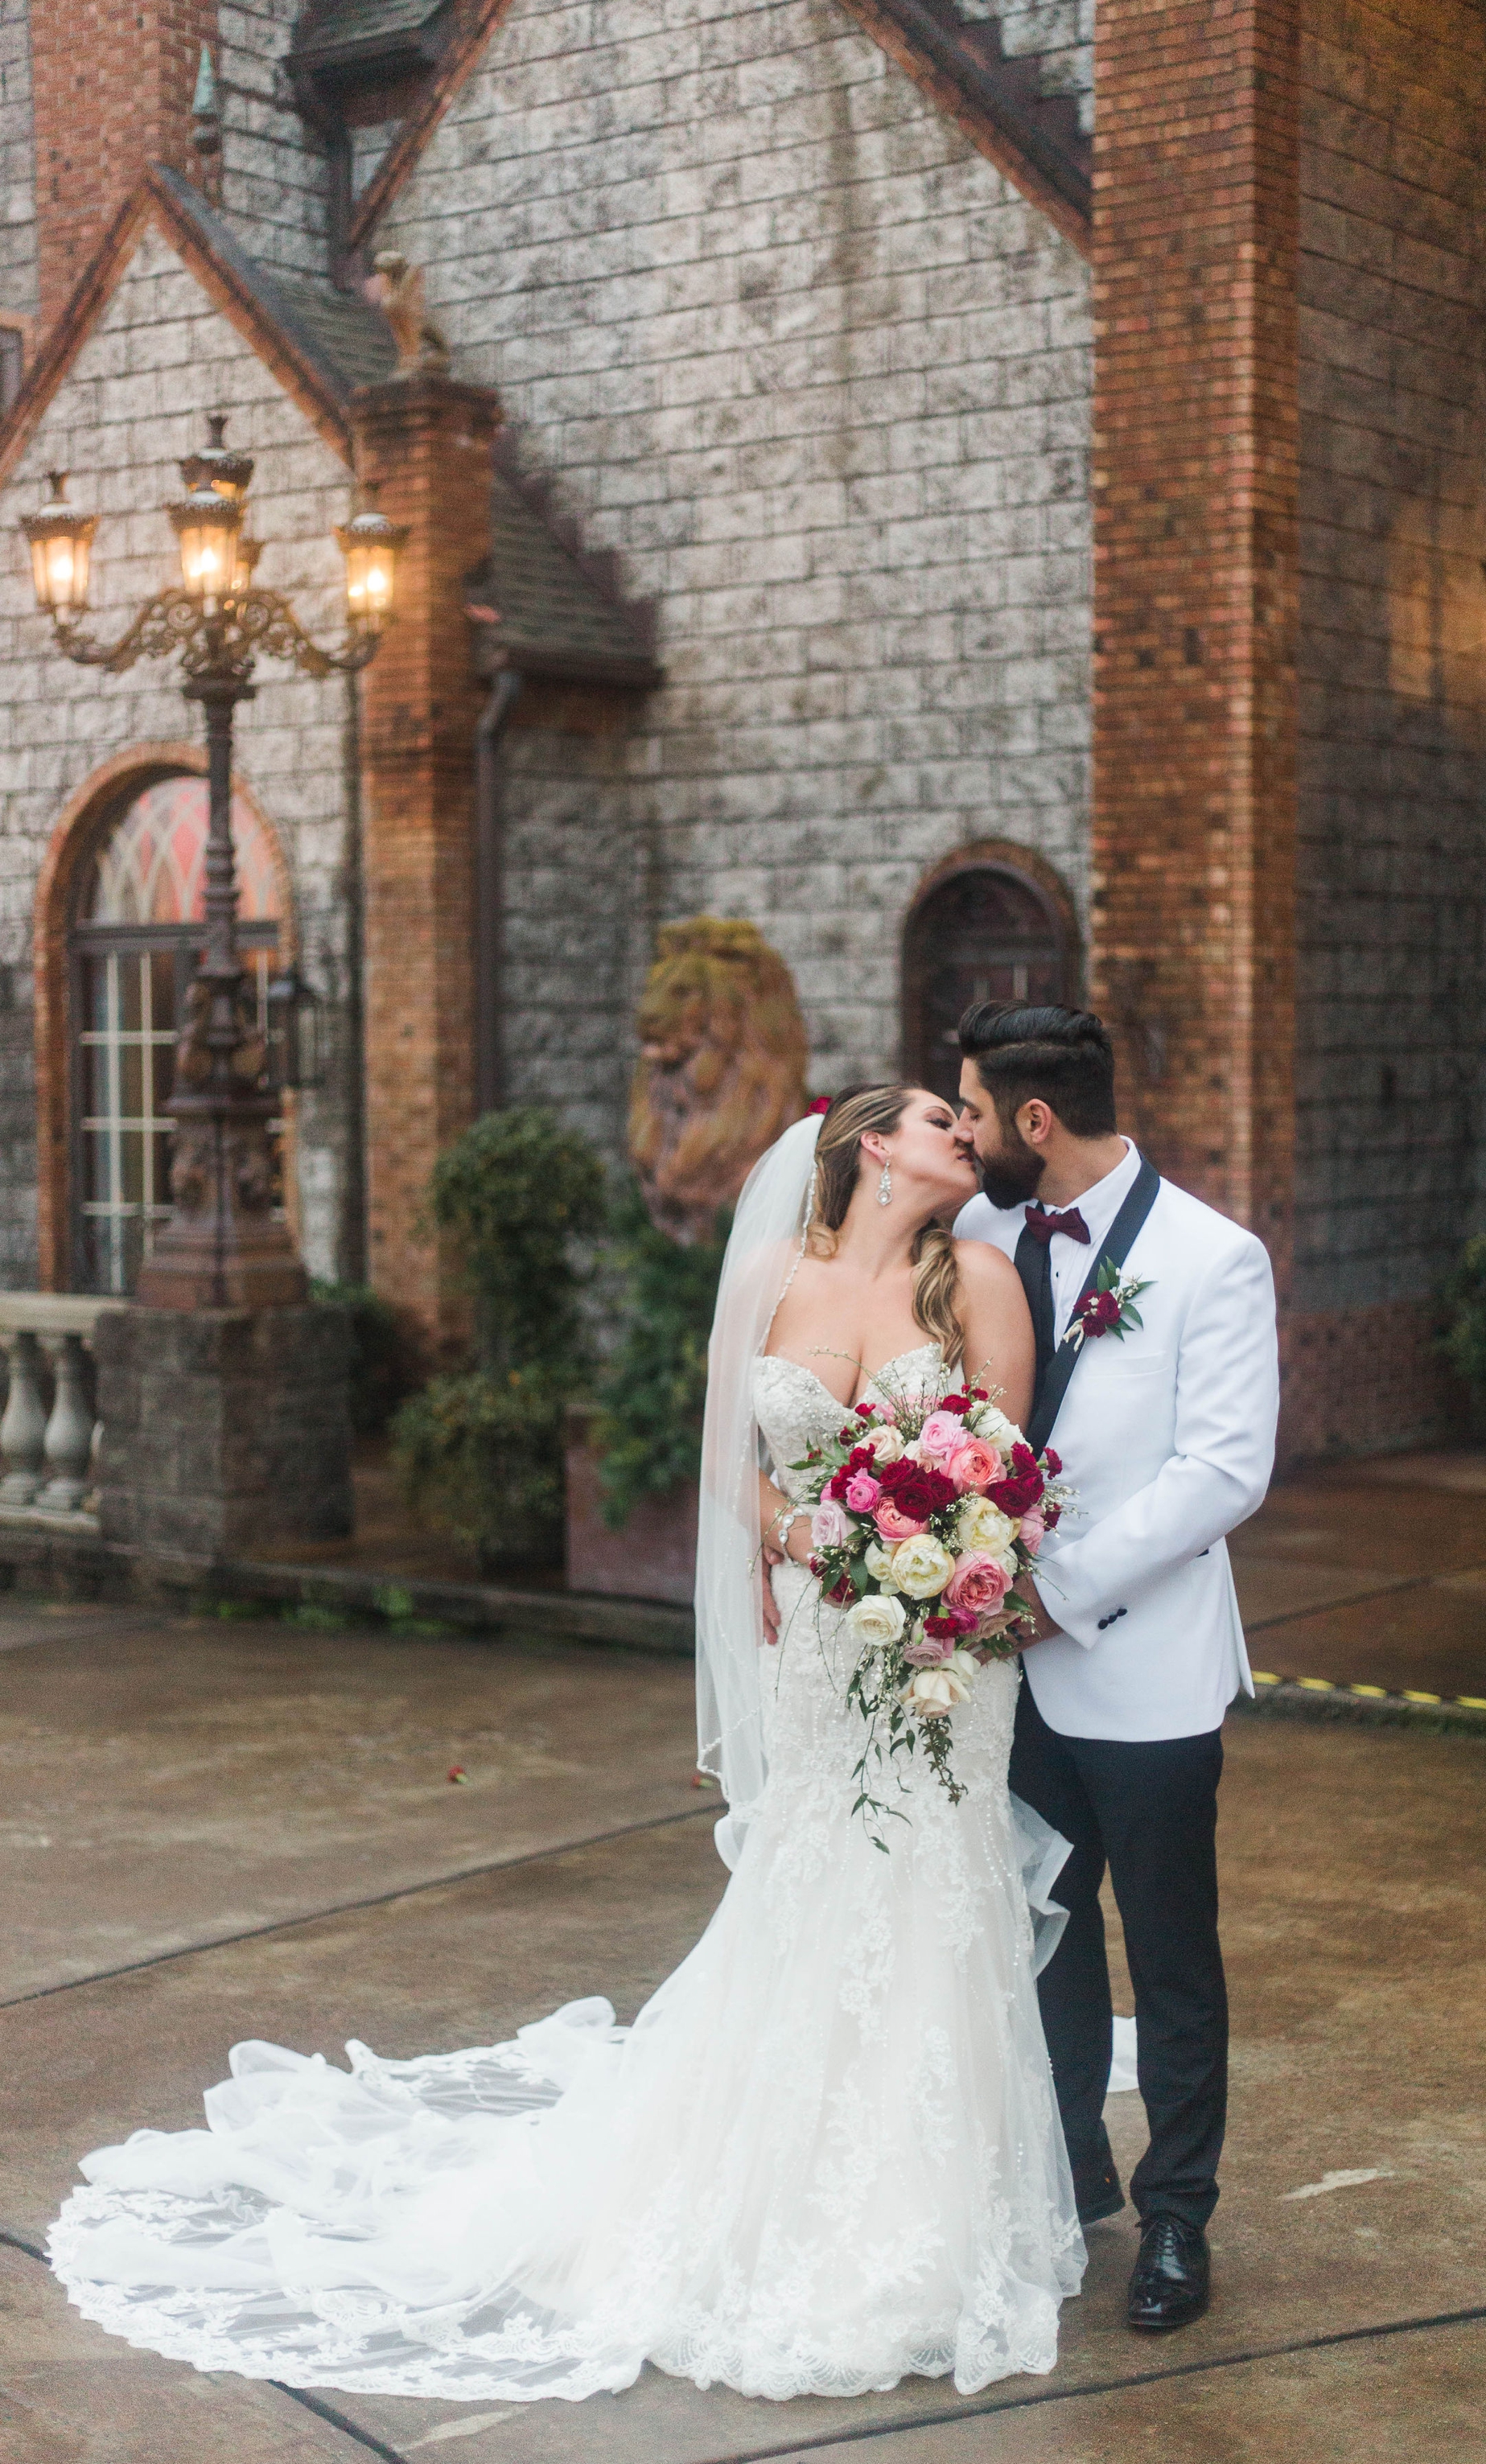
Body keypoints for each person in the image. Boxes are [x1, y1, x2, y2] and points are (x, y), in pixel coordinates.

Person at [48, 1086, 1087, 2405]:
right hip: (828, 1630)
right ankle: (766, 2183)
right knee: (820, 1873)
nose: (965, 1134)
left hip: (943, 1640)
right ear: (871, 1144)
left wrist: (943, 1559)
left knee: (936, 1880)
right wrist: (807, 1539)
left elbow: (1001, 1463)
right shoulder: (775, 1271)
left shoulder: (981, 1282)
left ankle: (929, 2221)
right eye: (940, 1116)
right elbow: (737, 1463)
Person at [953, 1000, 1278, 2334]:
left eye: (972, 1111)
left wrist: (1059, 1590)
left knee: (1172, 1952)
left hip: (1142, 1675)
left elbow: (1225, 1472)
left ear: (1037, 1121)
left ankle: (1179, 2220)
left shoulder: (1216, 1258)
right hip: (1002, 1676)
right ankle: (1074, 2171)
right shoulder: (977, 1240)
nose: (964, 1134)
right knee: (1044, 1931)